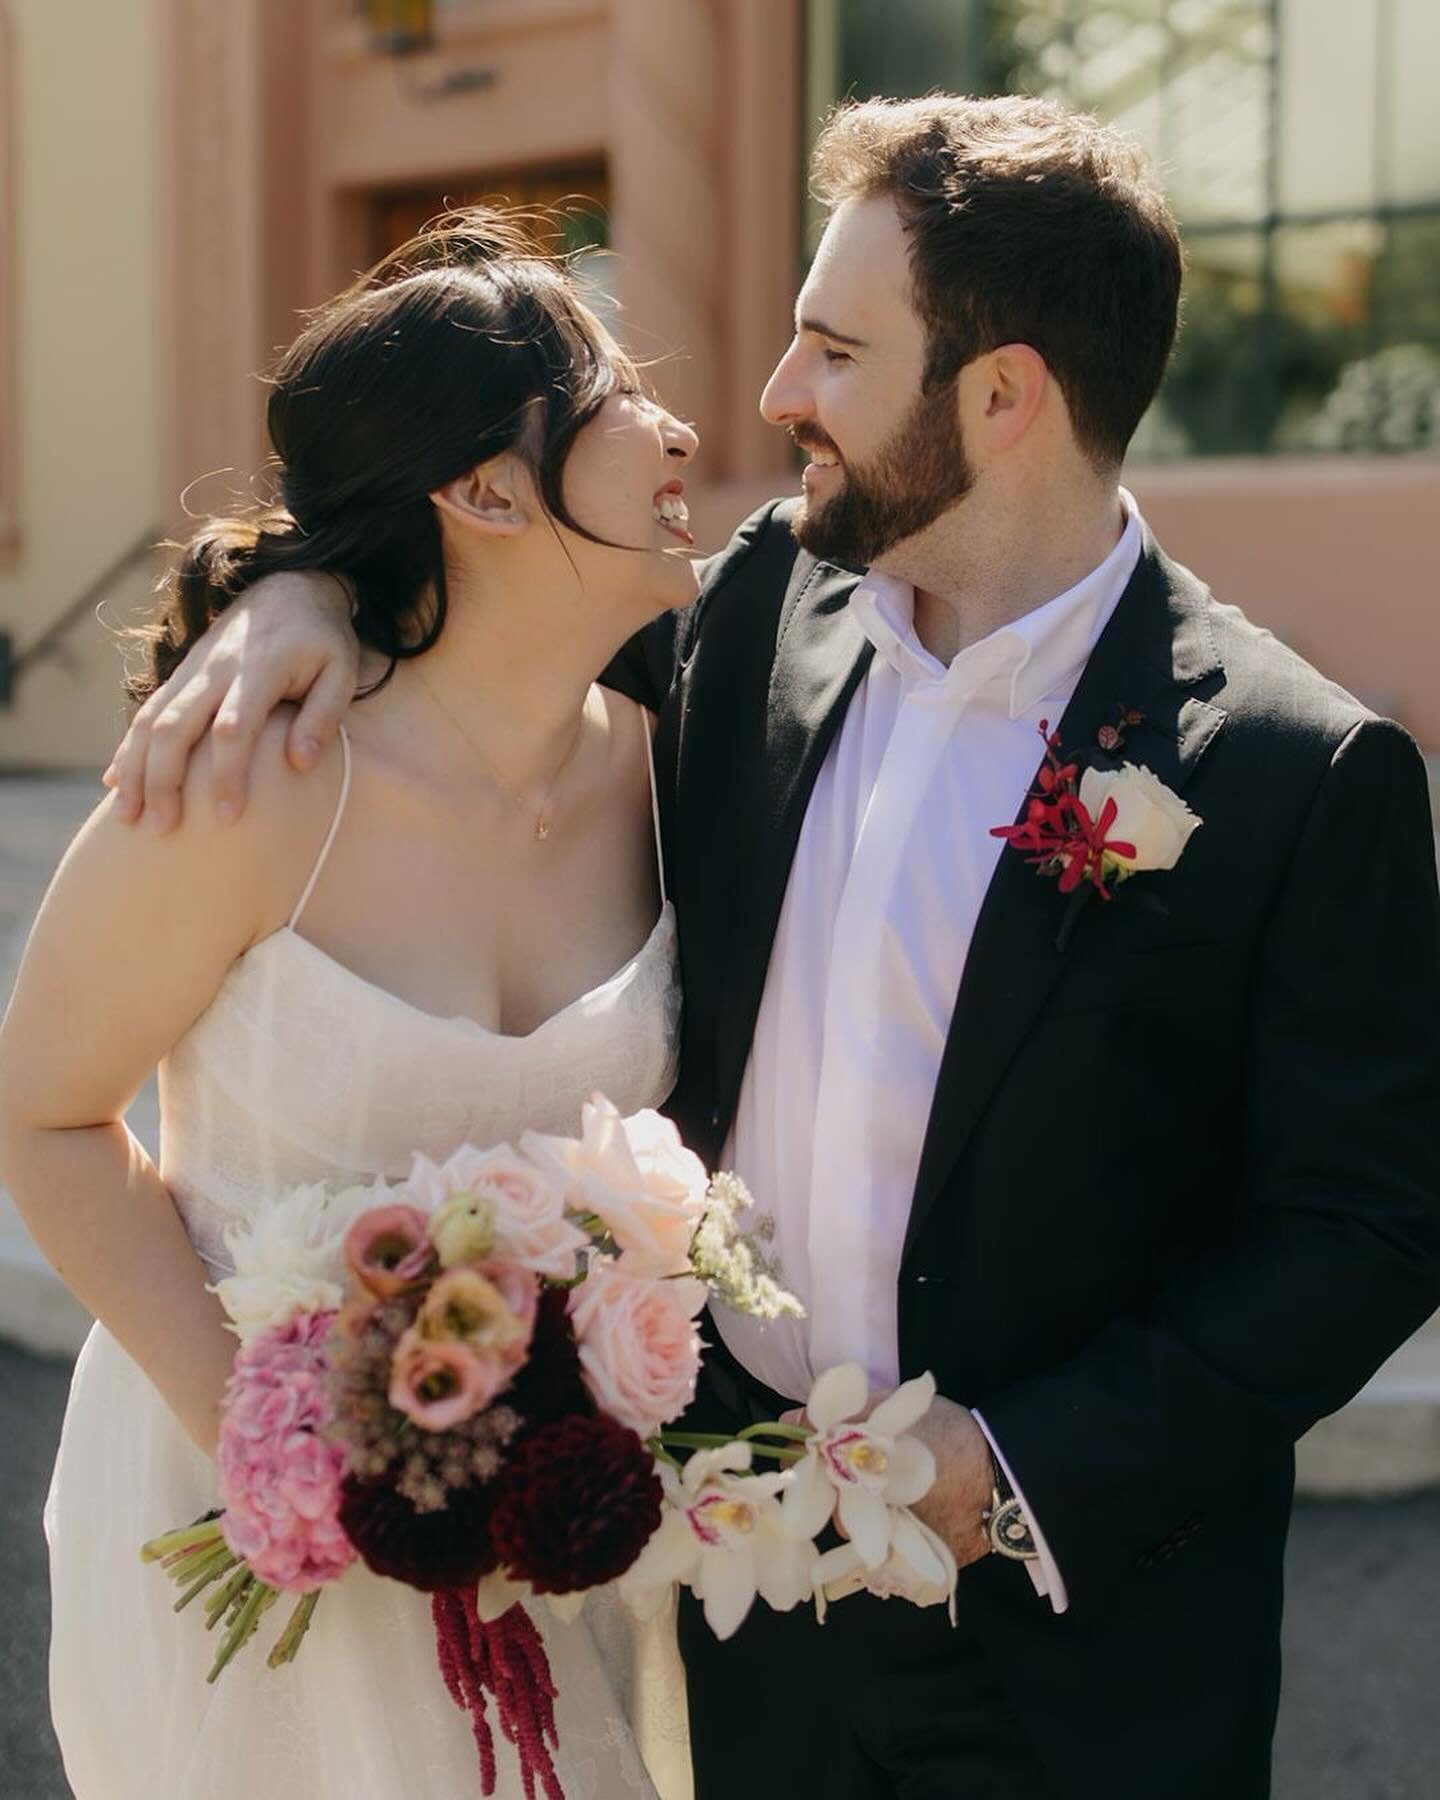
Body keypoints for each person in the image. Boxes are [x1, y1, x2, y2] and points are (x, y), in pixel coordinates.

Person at [101, 97, 1440, 1800]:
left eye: (831, 350)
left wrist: (1017, 1469)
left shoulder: (1290, 769)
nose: (773, 398)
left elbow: (1367, 1227)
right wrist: (312, 598)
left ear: (1003, 396)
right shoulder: (749, 615)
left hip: (1087, 1659)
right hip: (743, 1615)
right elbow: (488, 623)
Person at [0, 210, 702, 1799]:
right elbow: (41, 1115)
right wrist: (276, 1455)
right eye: (614, 397)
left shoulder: (676, 754)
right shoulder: (250, 780)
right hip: (247, 1536)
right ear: (482, 493)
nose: (679, 430)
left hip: (556, 1532)